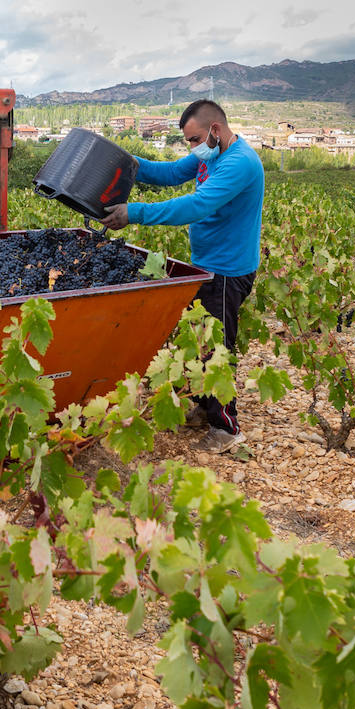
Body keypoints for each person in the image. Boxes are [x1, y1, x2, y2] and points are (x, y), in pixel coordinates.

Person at [100, 100, 264, 453]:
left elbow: (196, 205)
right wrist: (129, 165)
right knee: (198, 339)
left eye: (194, 140)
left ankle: (228, 429)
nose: (192, 148)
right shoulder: (210, 153)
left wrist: (135, 213)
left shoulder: (240, 163)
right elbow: (171, 173)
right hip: (206, 264)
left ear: (214, 130)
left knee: (217, 350)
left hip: (227, 271)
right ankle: (205, 407)